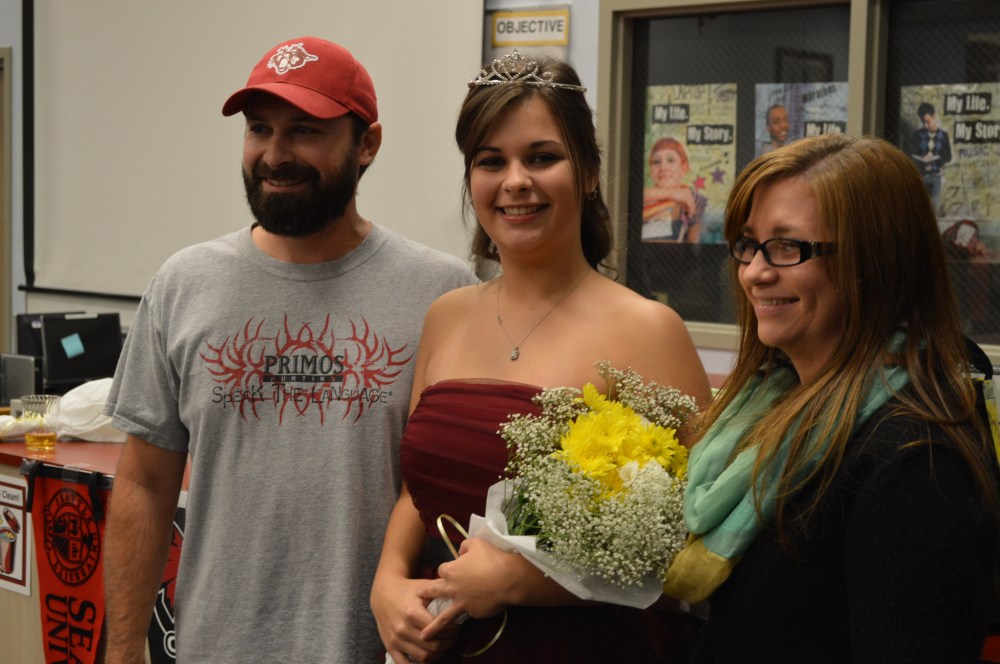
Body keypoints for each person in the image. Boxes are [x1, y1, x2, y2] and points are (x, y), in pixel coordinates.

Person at [102, 37, 476, 663]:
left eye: (304, 130)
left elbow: (457, 492)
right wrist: (120, 653)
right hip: (216, 648)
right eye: (259, 129)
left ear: (367, 145)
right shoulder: (184, 284)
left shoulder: (442, 292)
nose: (274, 155)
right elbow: (144, 481)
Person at [370, 51, 712, 663]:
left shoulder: (649, 330)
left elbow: (694, 541)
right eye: (491, 161)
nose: (515, 181)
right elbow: (411, 495)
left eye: (542, 157)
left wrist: (523, 582)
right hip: (444, 644)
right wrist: (387, 583)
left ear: (589, 172)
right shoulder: (445, 315)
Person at [661, 134, 1000, 662]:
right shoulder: (776, 395)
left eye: (787, 246)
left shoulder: (916, 453)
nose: (755, 272)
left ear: (875, 260)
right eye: (749, 244)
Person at [642, 137, 707, 243]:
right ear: (650, 170)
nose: (663, 167)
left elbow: (695, 244)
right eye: (656, 161)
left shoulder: (691, 198)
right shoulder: (644, 197)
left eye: (670, 160)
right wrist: (674, 194)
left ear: (684, 167)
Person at [909, 101, 952, 214]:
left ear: (934, 116)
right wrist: (922, 158)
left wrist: (936, 158)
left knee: (933, 207)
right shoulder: (918, 135)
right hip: (921, 176)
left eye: (928, 121)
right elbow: (911, 153)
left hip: (936, 175)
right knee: (919, 207)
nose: (925, 125)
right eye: (923, 122)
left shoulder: (943, 136)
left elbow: (948, 156)